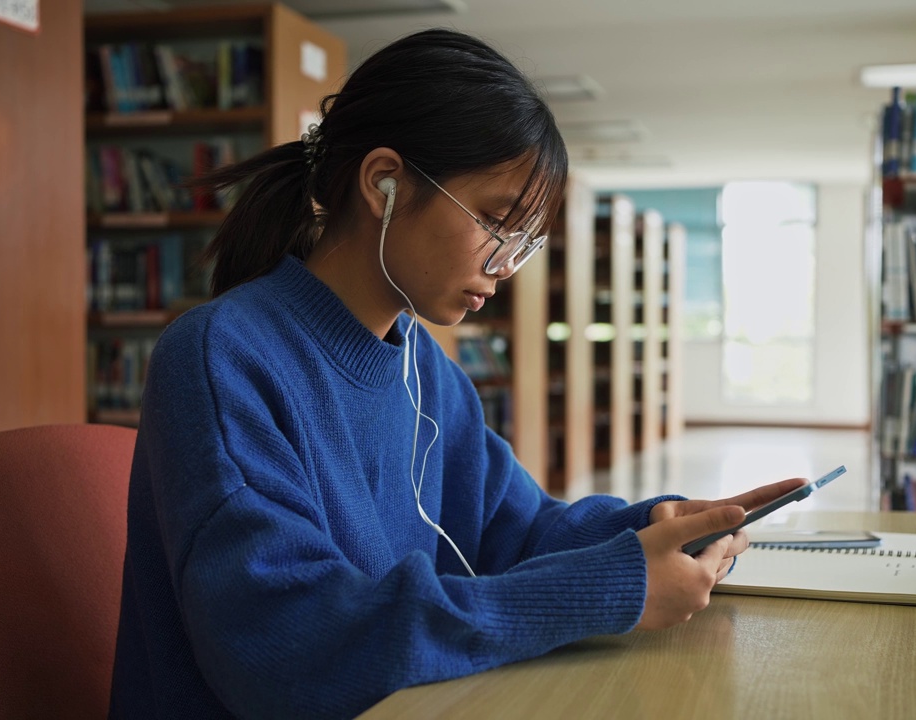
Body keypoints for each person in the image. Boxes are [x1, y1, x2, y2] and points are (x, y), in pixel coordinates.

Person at [109, 27, 804, 719]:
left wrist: (657, 526)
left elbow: (521, 532)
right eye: (497, 223)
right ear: (384, 183)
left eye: (523, 244)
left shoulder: (427, 372)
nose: (503, 267)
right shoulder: (221, 357)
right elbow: (289, 647)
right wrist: (605, 589)